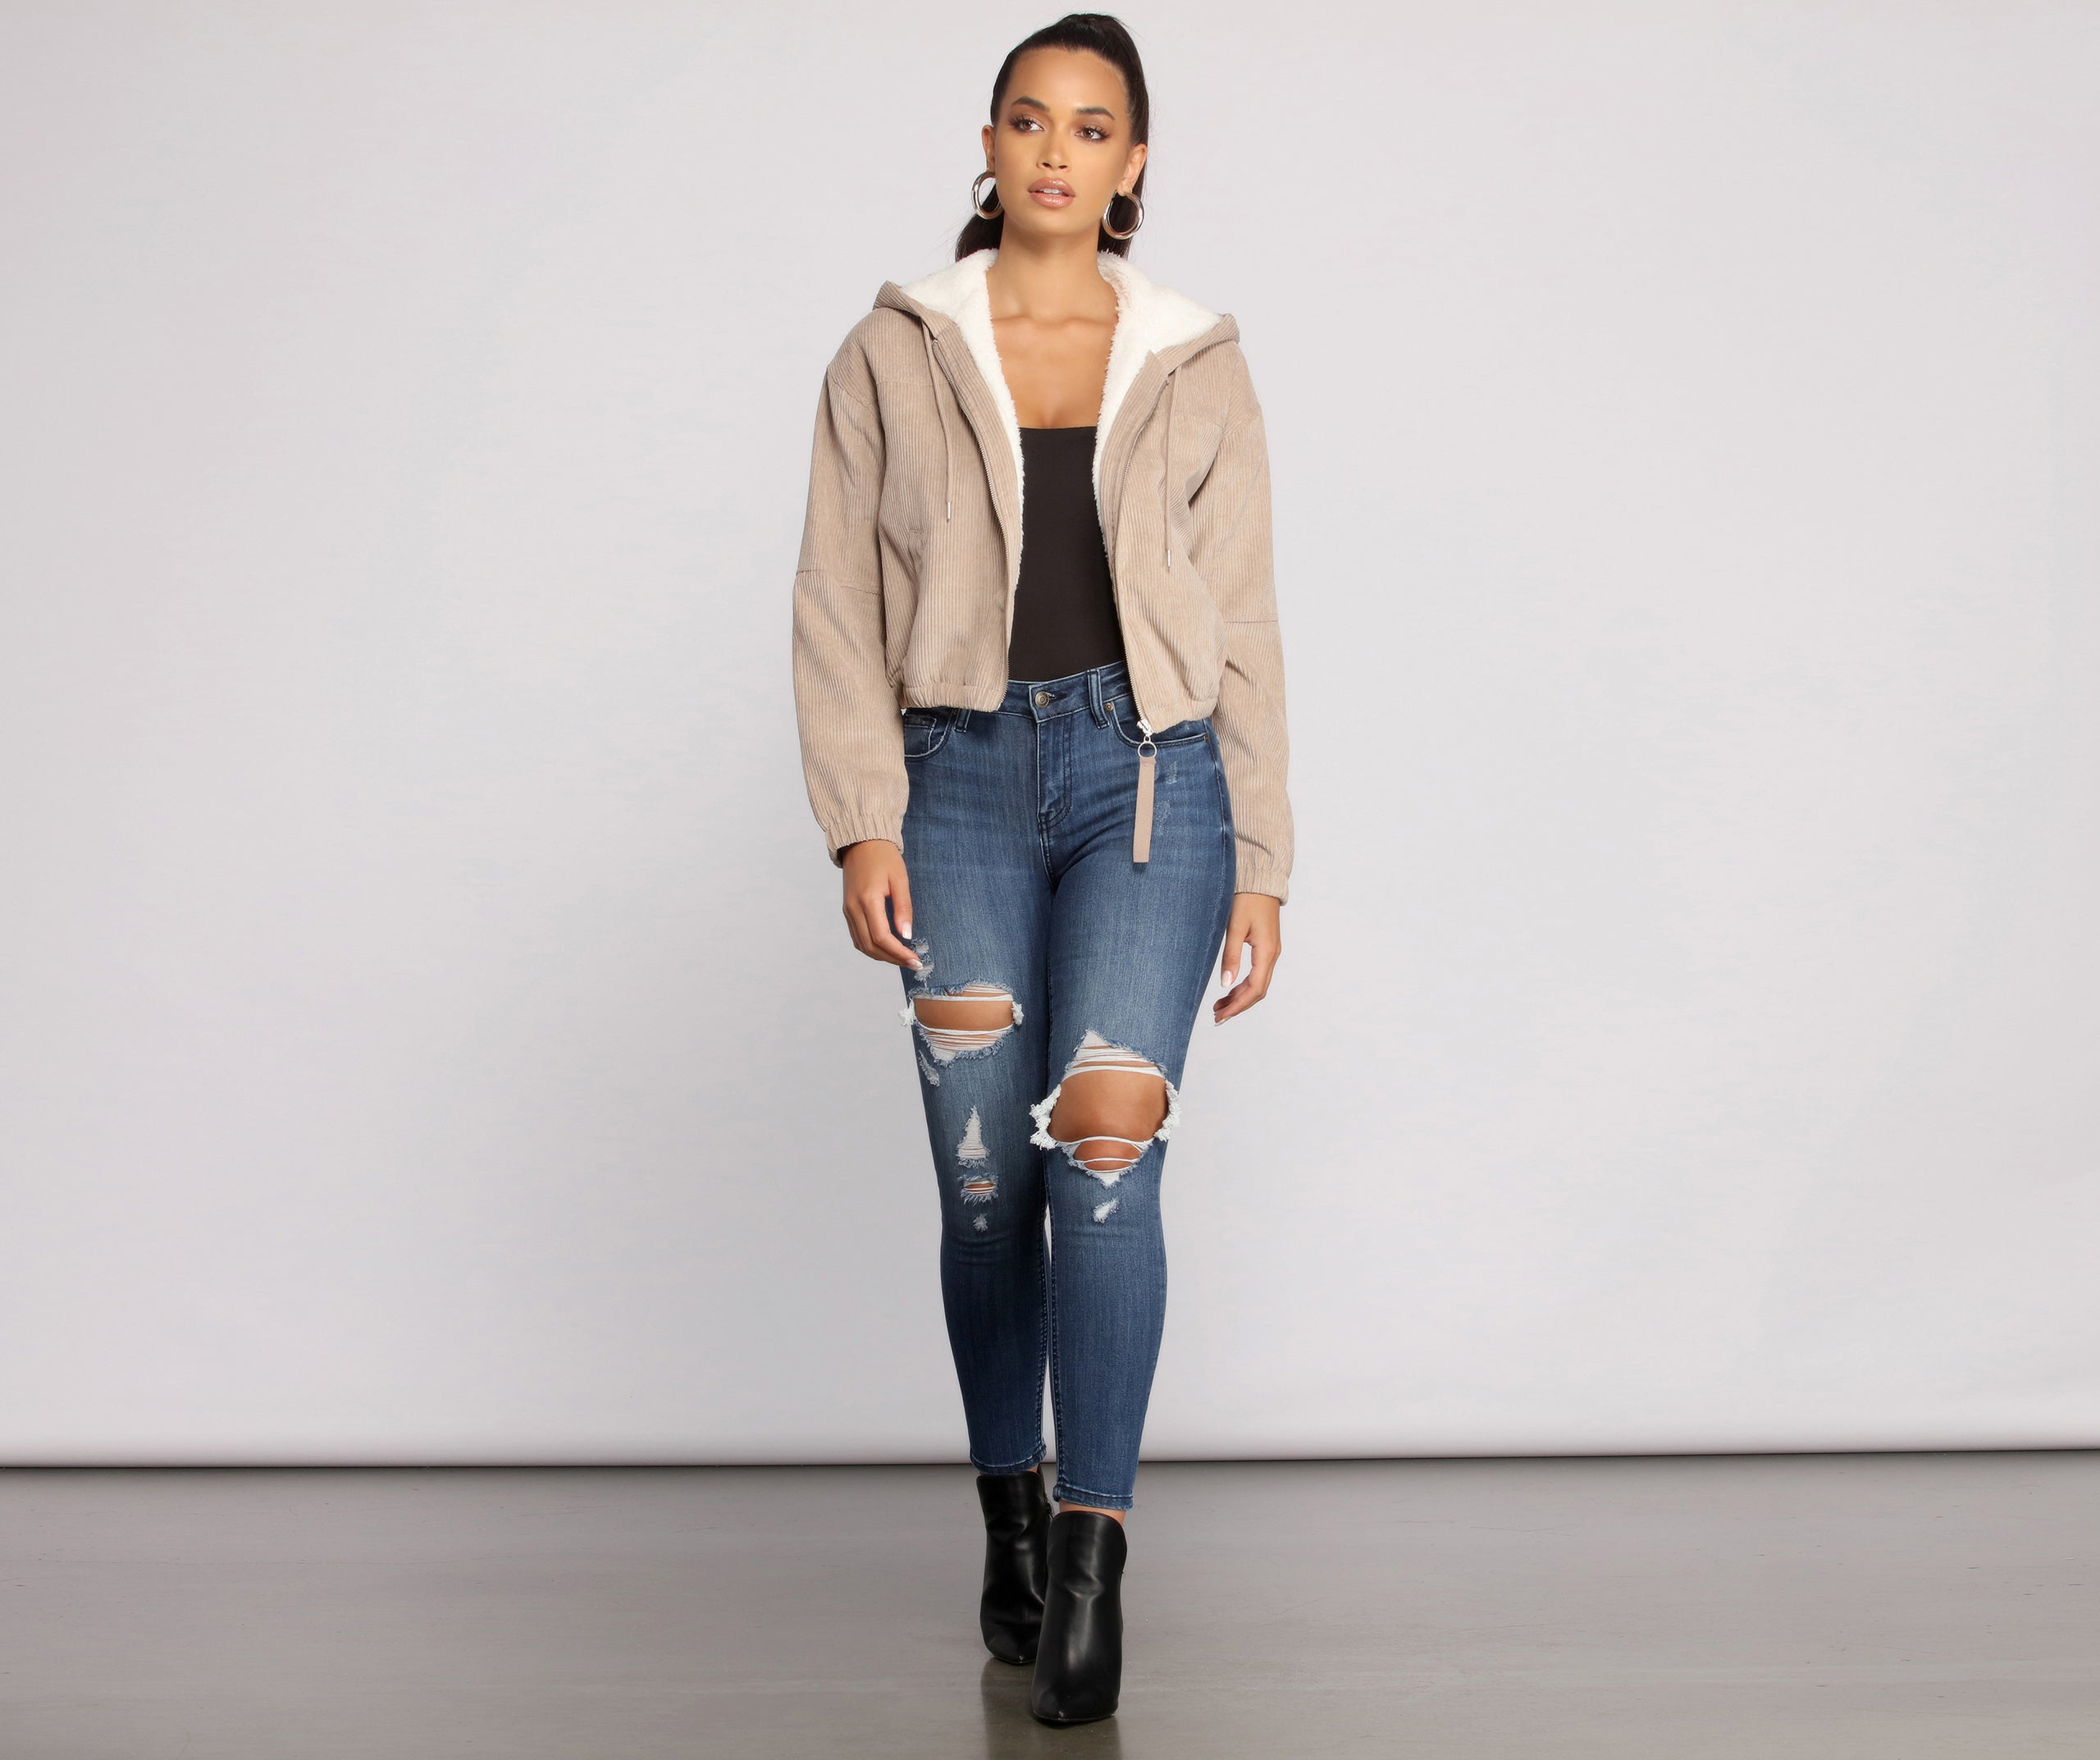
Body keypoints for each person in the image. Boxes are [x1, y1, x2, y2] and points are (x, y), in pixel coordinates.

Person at [788, 11, 1293, 1726]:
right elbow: (834, 596)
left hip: (1151, 786)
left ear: (1132, 163)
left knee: (1104, 1167)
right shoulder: (895, 351)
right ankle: (1007, 1511)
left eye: (1090, 127)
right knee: (986, 1187)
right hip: (955, 783)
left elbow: (1244, 620)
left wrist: (1265, 854)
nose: (1056, 151)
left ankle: (1090, 1559)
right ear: (990, 144)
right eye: (1028, 119)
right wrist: (861, 813)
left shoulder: (1196, 359)